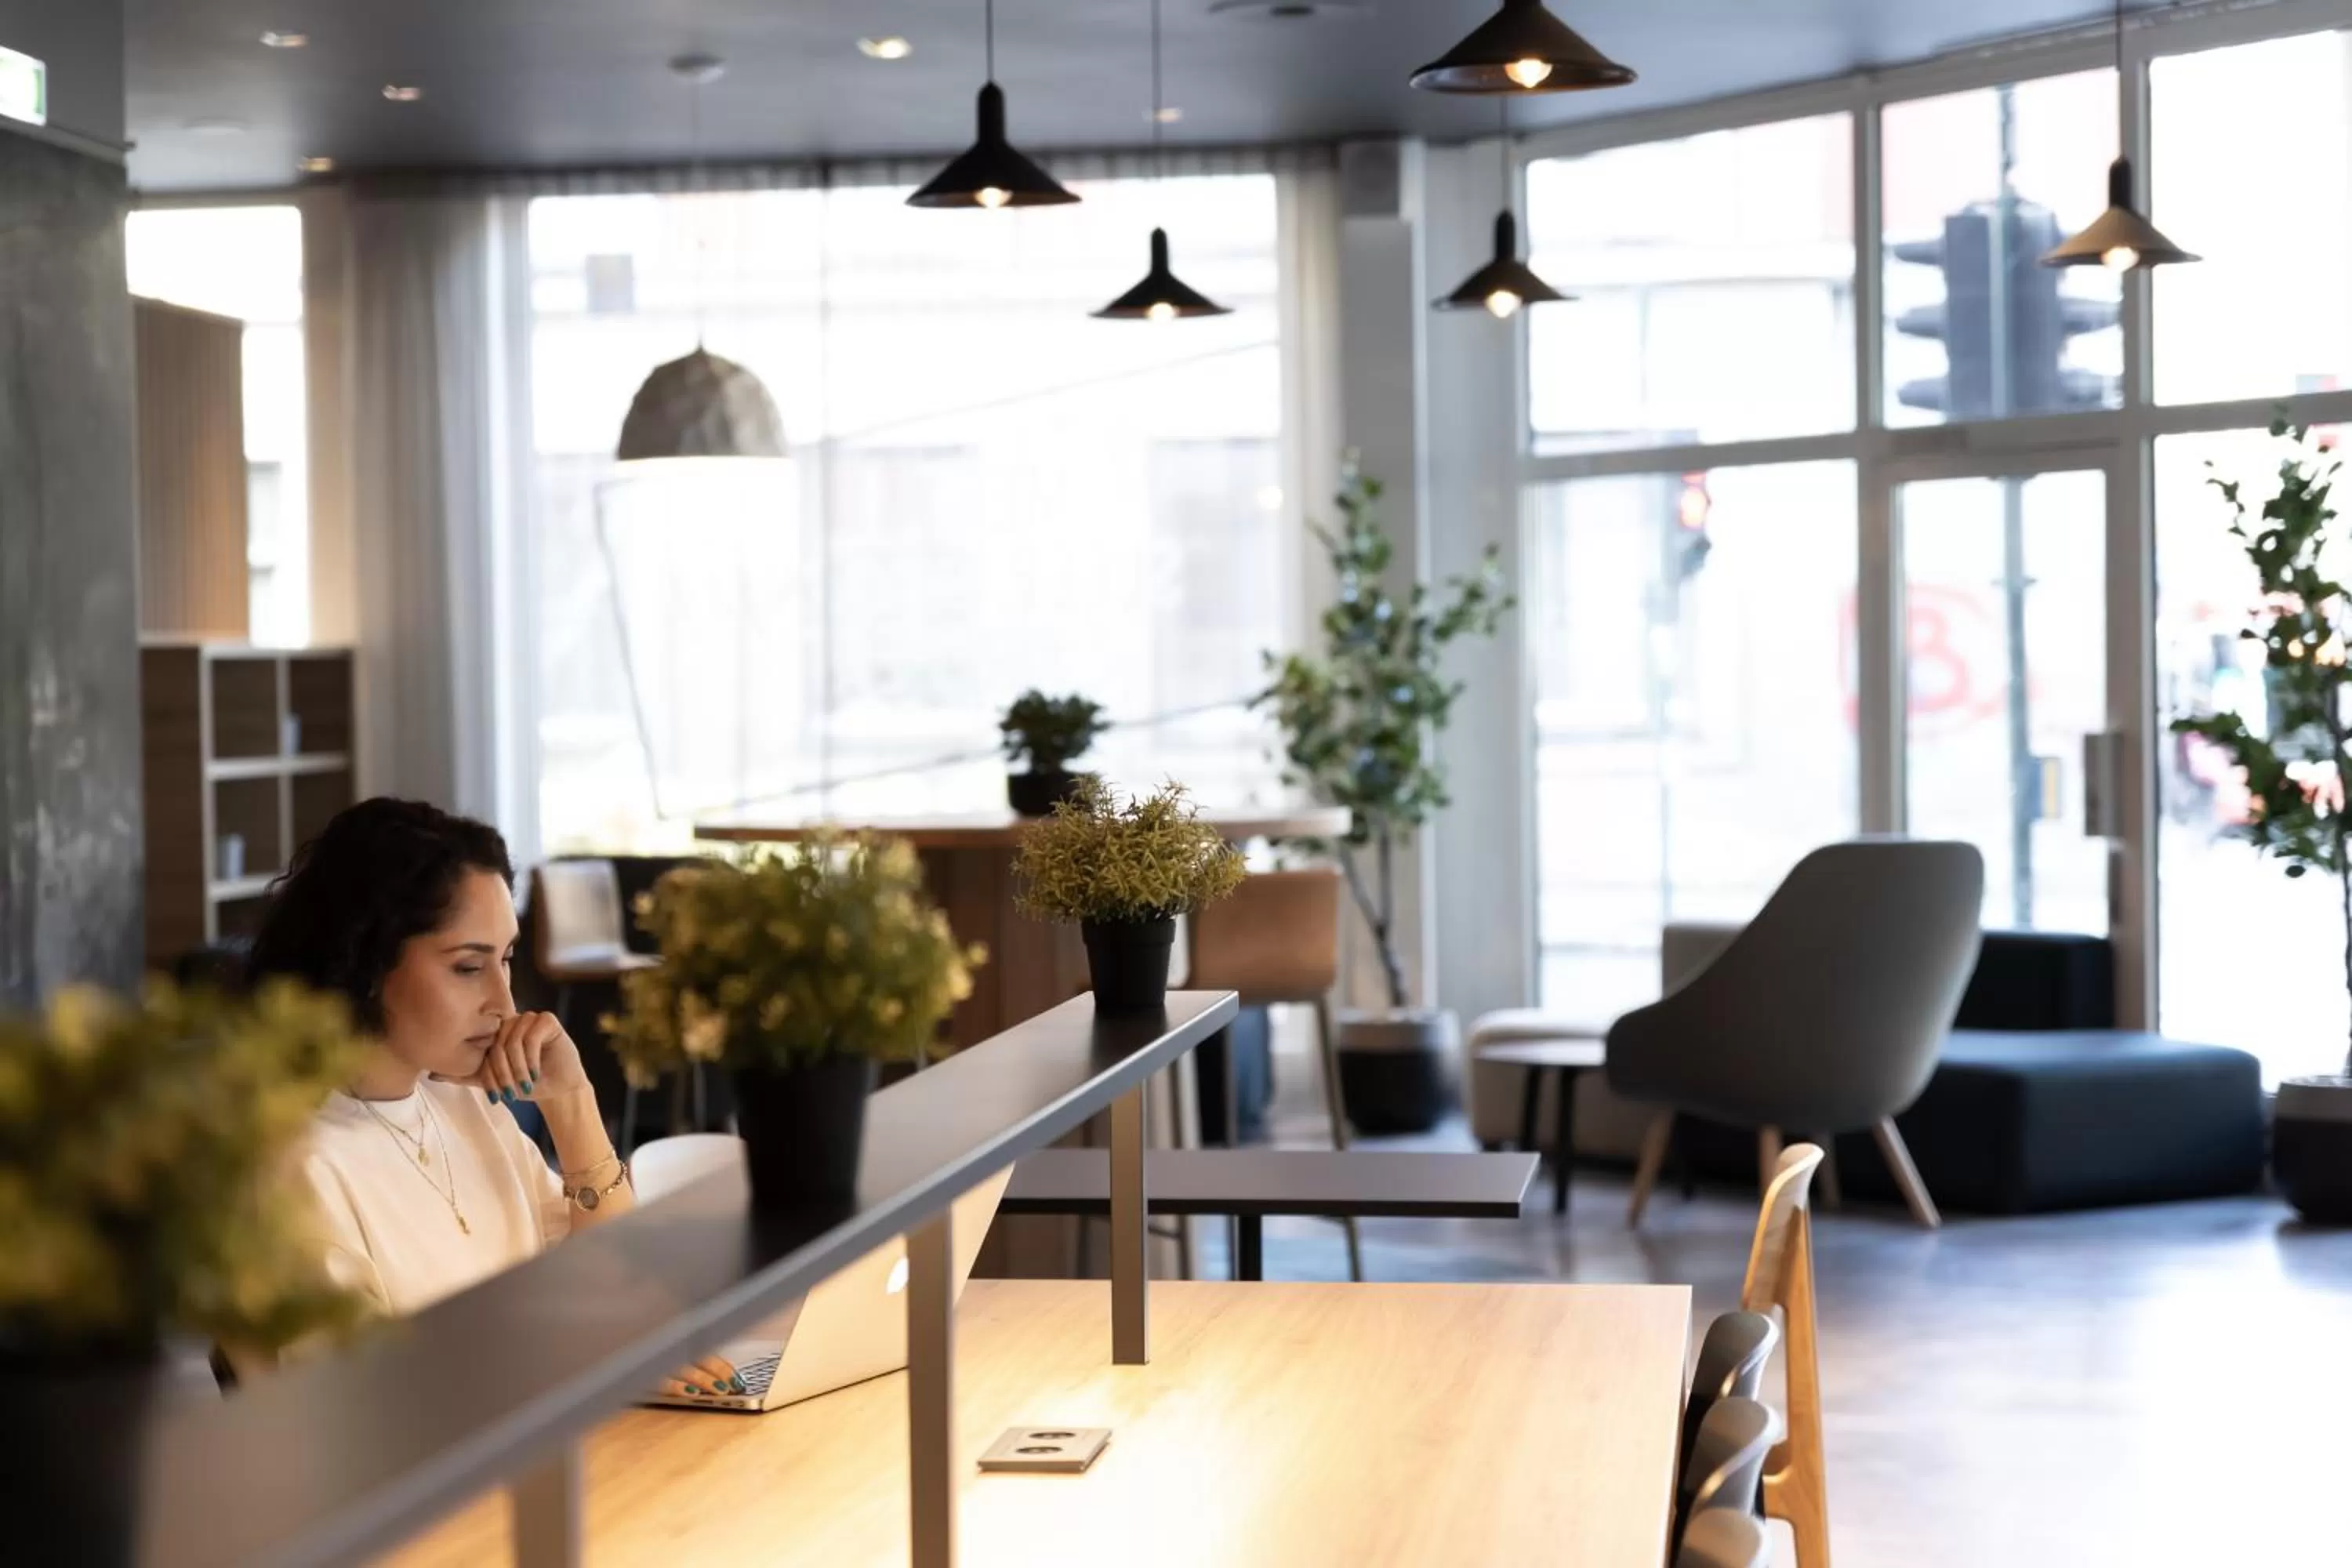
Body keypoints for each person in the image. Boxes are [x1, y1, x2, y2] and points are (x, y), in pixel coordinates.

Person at [247, 797, 737, 1399]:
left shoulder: (467, 1109)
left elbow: (628, 1294)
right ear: (367, 962)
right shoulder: (296, 1164)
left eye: (505, 960)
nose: (504, 1005)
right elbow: (365, 1412)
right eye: (467, 967)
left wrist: (574, 1105)